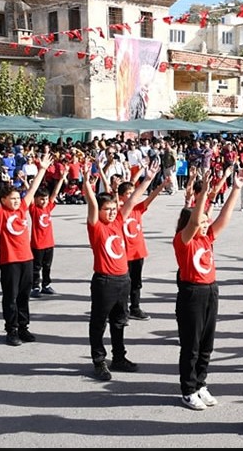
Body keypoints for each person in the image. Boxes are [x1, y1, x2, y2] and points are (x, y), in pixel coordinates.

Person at [174, 166, 243, 410]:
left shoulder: (206, 238)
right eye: (202, 222)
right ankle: (188, 390)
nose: (206, 225)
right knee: (192, 345)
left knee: (207, 343)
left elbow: (224, 219)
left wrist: (235, 190)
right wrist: (205, 191)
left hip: (210, 290)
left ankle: (200, 384)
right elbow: (196, 219)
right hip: (192, 293)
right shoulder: (183, 241)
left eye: (207, 222)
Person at [81, 158, 156, 381]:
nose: (112, 213)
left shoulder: (117, 221)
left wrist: (148, 179)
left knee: (119, 321)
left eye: (114, 209)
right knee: (99, 322)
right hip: (104, 281)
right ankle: (98, 360)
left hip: (123, 280)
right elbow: (92, 204)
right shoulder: (96, 227)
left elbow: (132, 200)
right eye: (107, 210)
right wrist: (86, 182)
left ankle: (119, 357)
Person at [0, 150, 54, 346]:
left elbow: (32, 190)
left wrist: (42, 169)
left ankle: (23, 328)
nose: (16, 201)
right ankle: (11, 330)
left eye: (17, 198)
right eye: (12, 199)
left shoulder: (23, 208)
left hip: (27, 259)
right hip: (10, 261)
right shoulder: (1, 214)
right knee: (11, 297)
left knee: (24, 296)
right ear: (5, 201)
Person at [115, 166, 171, 321]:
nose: (133, 196)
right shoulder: (118, 211)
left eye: (134, 192)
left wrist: (161, 186)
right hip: (124, 254)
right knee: (123, 284)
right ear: (121, 197)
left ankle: (135, 307)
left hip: (138, 252)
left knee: (136, 283)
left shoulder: (138, 209)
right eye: (129, 194)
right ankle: (121, 310)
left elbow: (150, 198)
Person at [29, 165, 68, 298]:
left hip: (49, 243)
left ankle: (46, 285)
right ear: (35, 200)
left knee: (47, 266)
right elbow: (31, 193)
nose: (44, 201)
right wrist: (28, 184)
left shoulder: (48, 207)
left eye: (45, 199)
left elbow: (55, 193)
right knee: (36, 267)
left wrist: (62, 179)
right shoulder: (34, 210)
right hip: (37, 244)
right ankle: (35, 286)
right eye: (41, 199)